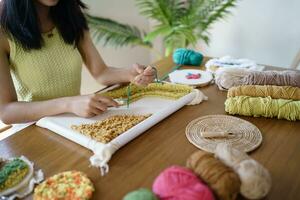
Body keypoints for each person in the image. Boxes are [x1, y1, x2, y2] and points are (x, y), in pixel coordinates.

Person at [0, 0, 155, 124]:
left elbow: (101, 72)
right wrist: (68, 104)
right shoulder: (3, 27)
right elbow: (6, 111)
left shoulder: (70, 12)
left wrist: (131, 73)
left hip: (74, 123)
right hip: (32, 130)